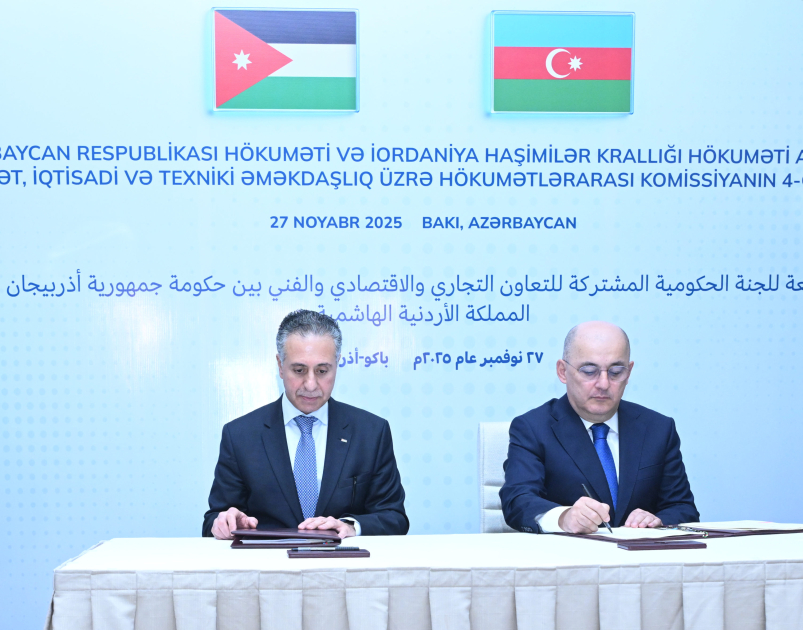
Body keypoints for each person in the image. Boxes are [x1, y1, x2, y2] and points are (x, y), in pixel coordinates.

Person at [203, 309, 408, 539]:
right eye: (299, 370)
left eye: (322, 371)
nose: (310, 384)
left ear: (337, 364)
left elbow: (394, 518)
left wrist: (351, 526)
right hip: (269, 560)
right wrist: (226, 522)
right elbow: (213, 520)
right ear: (280, 365)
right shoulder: (240, 435)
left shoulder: (371, 433)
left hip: (342, 561)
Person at [500, 321, 699, 534]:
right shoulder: (533, 428)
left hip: (639, 552)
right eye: (589, 371)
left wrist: (657, 521)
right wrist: (564, 518)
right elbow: (518, 501)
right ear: (563, 371)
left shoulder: (658, 429)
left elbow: (683, 508)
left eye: (616, 372)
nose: (604, 384)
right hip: (569, 553)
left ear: (629, 372)